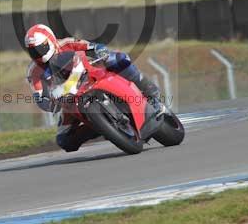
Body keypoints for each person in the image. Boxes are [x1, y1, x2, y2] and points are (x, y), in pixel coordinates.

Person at [24, 24, 163, 152]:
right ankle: (101, 127)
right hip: (69, 100)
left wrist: (99, 49)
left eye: (40, 48)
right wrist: (49, 104)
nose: (38, 54)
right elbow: (39, 95)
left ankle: (146, 86)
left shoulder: (66, 43)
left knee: (117, 59)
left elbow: (90, 46)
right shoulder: (33, 71)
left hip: (90, 74)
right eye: (33, 52)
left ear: (50, 40)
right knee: (64, 140)